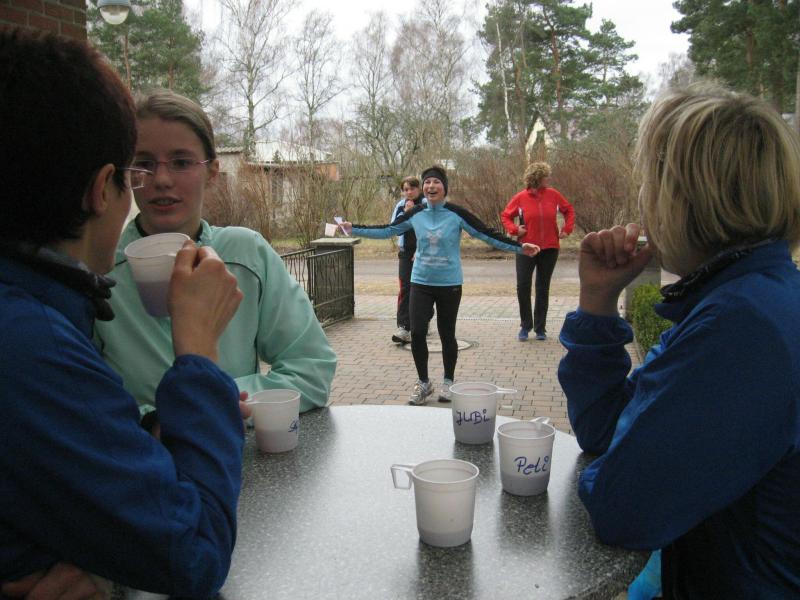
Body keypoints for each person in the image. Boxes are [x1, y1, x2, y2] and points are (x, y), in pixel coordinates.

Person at [0, 28, 246, 598]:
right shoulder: (30, 342)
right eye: (133, 175)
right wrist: (197, 352)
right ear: (101, 189)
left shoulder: (36, 308)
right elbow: (196, 554)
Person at [557, 82, 800, 596]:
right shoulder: (742, 298)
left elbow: (624, 507)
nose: (643, 200)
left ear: (682, 198)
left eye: (648, 182)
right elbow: (605, 431)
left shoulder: (741, 327)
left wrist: (620, 465)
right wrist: (597, 303)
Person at [94, 89, 337, 421]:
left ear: (212, 172)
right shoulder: (101, 271)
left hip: (232, 451)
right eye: (144, 164)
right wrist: (159, 420)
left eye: (181, 162)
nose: (161, 179)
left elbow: (311, 368)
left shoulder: (246, 255)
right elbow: (78, 399)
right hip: (136, 453)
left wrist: (217, 400)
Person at [342, 166, 540, 404]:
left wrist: (520, 247)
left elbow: (485, 234)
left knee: (447, 334)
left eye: (436, 182)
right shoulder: (415, 213)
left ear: (444, 187)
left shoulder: (456, 213)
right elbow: (387, 230)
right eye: (427, 182)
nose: (431, 186)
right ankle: (424, 383)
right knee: (417, 333)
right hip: (420, 282)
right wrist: (352, 228)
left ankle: (448, 382)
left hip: (449, 284)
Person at [500, 162, 574, 341]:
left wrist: (567, 229)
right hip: (525, 248)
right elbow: (505, 216)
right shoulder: (520, 198)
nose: (549, 178)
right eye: (546, 176)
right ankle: (525, 326)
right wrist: (515, 230)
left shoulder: (554, 195)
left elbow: (569, 210)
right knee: (523, 286)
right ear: (537, 178)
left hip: (550, 248)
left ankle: (540, 328)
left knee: (542, 287)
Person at [390, 176, 424, 343]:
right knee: (406, 288)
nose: (409, 192)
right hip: (405, 252)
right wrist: (406, 212)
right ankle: (404, 327)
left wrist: (420, 249)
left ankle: (425, 317)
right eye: (406, 189)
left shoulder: (426, 204)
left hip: (423, 252)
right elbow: (395, 228)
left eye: (412, 188)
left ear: (419, 188)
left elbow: (427, 229)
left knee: (422, 288)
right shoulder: (400, 205)